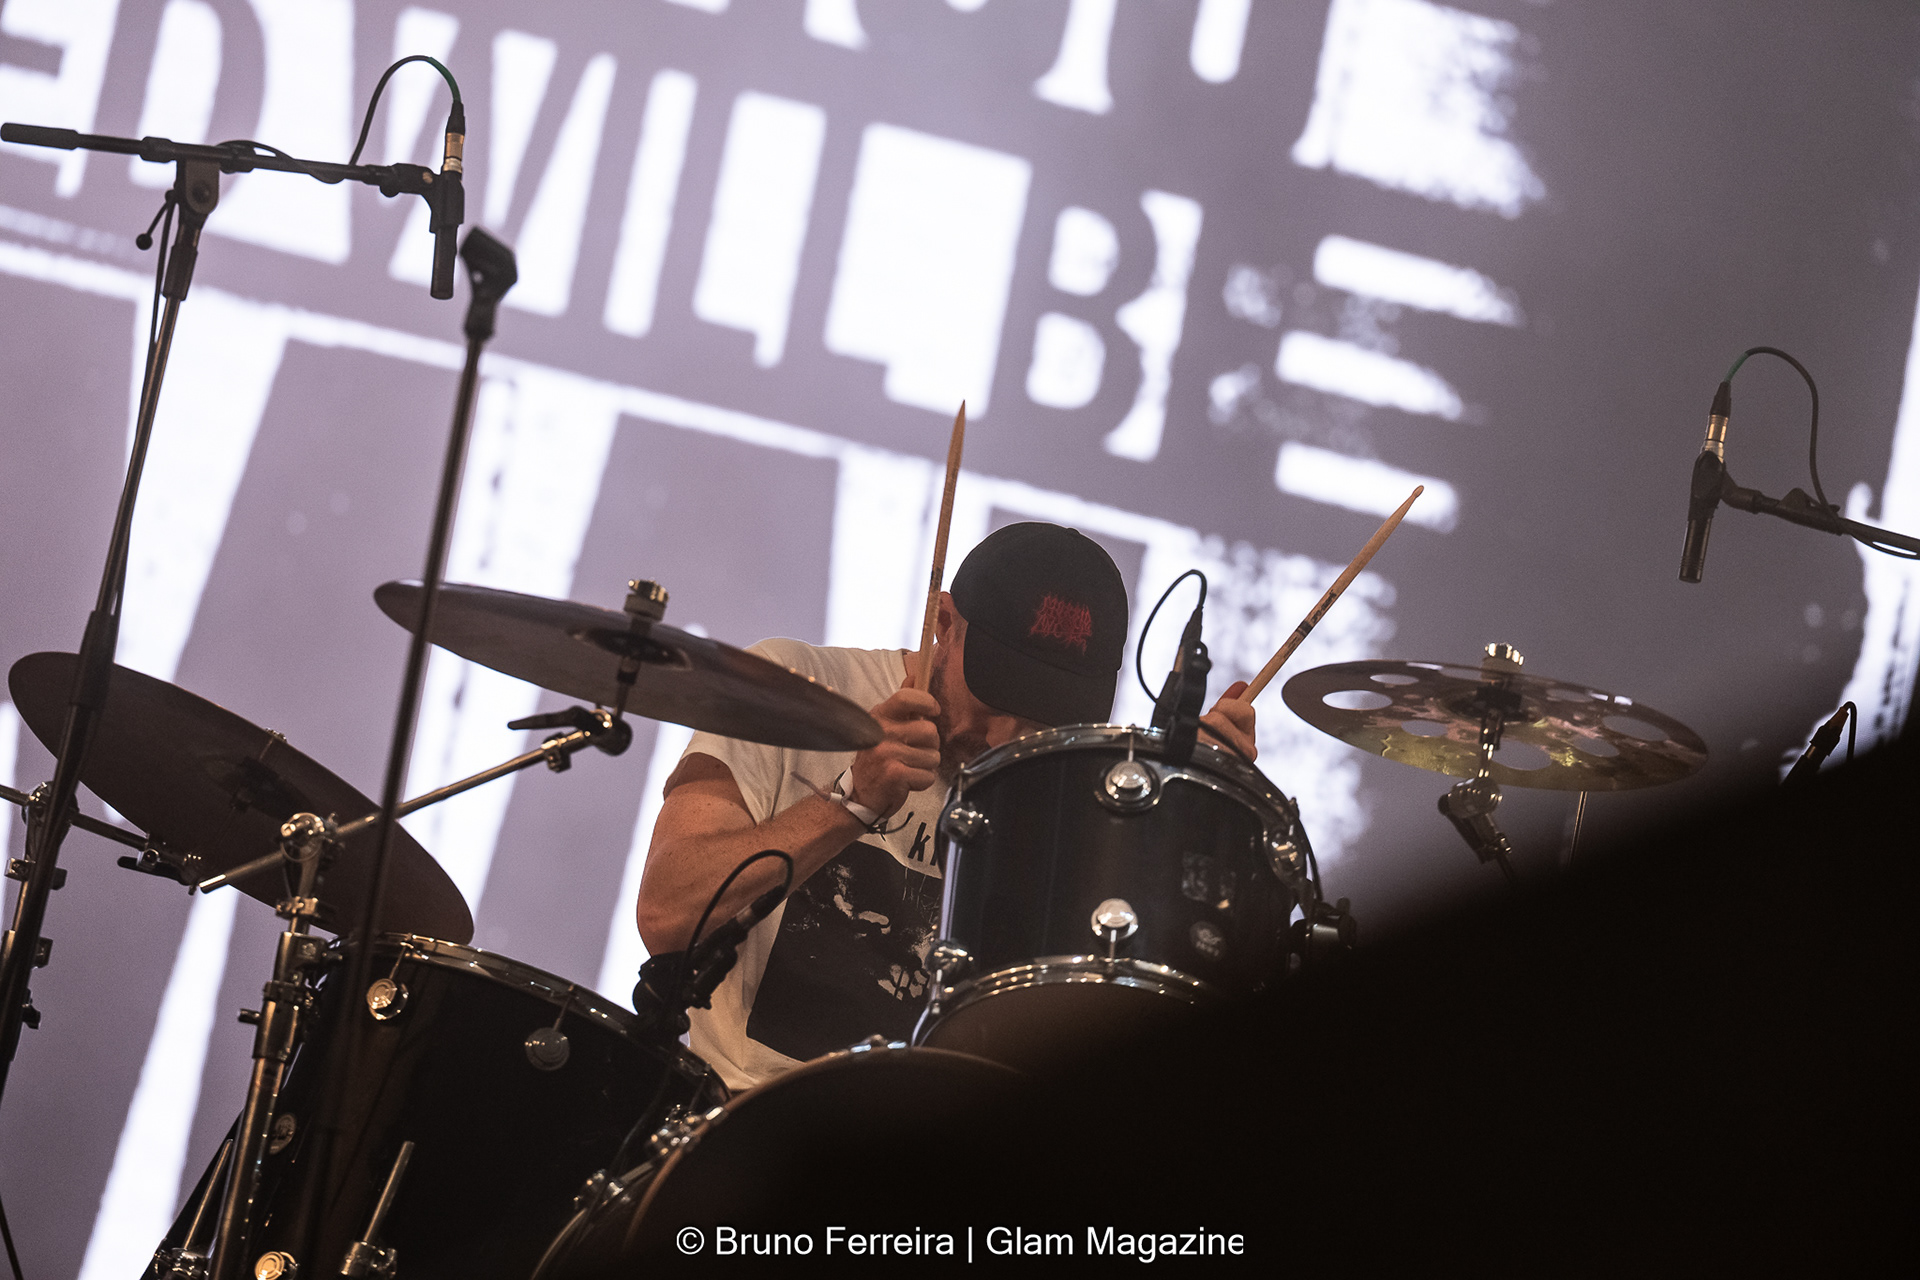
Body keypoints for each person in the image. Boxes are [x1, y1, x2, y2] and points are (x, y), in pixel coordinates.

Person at [636, 522, 1257, 1091]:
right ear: (944, 623)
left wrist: (1179, 821)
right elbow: (667, 912)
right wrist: (851, 801)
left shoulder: (1076, 783)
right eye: (998, 694)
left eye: (1046, 711)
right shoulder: (792, 685)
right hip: (746, 1112)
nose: (1007, 735)